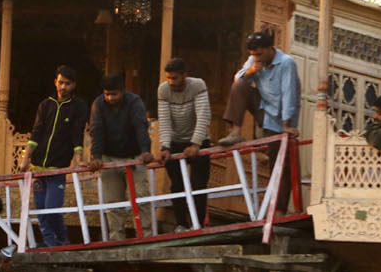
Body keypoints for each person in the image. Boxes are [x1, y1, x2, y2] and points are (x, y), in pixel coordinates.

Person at [218, 31, 301, 212]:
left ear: (269, 49)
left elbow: (289, 94)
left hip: (281, 118)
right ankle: (236, 132)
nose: (256, 57)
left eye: (259, 54)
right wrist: (252, 70)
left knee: (279, 164)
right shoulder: (255, 60)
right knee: (240, 84)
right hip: (264, 109)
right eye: (253, 54)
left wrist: (287, 124)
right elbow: (238, 79)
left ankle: (278, 211)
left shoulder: (286, 63)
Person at [20, 65, 89, 247]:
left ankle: (62, 241)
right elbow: (36, 133)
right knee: (41, 211)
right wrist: (26, 158)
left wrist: (79, 158)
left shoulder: (79, 107)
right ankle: (51, 244)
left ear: (73, 85)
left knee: (52, 209)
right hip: (37, 167)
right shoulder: (46, 105)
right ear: (55, 82)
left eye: (67, 83)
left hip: (57, 168)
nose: (63, 87)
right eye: (60, 82)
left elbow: (77, 134)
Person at [88, 73, 153, 240]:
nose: (110, 98)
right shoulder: (98, 104)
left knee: (141, 197)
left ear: (123, 91)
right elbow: (97, 130)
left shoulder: (134, 102)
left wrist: (145, 150)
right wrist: (96, 156)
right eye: (107, 94)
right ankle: (116, 238)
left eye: (114, 94)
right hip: (109, 158)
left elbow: (140, 126)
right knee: (113, 202)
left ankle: (146, 235)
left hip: (134, 156)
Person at [156, 58, 212, 231]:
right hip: (175, 141)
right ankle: (181, 223)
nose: (171, 82)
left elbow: (204, 116)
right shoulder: (164, 89)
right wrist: (165, 147)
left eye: (175, 78)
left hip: (199, 140)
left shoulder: (197, 85)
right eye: (169, 78)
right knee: (177, 185)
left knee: (198, 184)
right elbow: (164, 121)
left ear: (184, 75)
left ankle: (198, 224)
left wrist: (196, 143)